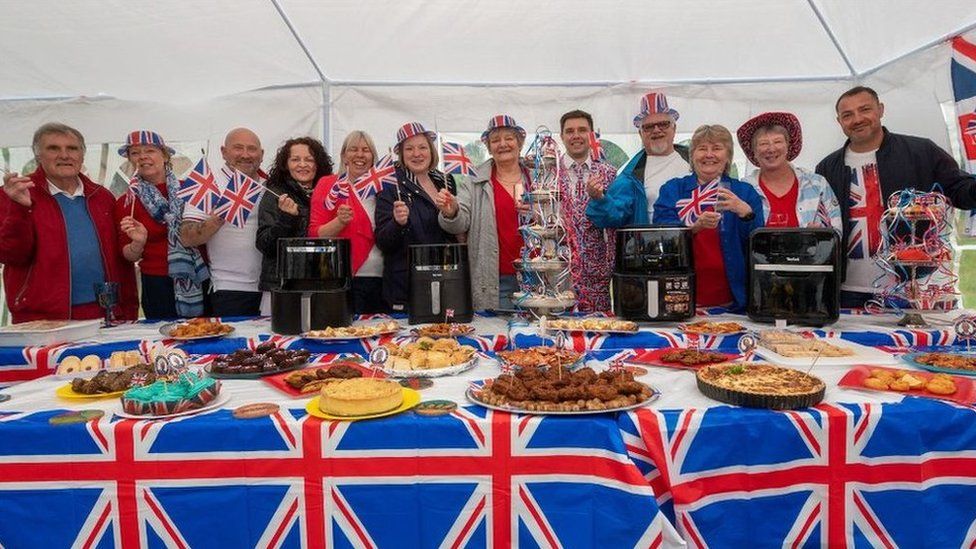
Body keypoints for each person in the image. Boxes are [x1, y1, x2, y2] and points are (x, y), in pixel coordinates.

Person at [815, 86, 976, 307]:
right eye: (848, 115)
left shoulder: (921, 152)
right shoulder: (826, 167)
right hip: (847, 292)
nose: (857, 119)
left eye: (865, 109)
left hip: (915, 287)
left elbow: (960, 189)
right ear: (839, 121)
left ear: (880, 110)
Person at [0, 123, 137, 323]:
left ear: (82, 155)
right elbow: (11, 255)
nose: (64, 155)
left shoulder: (102, 197)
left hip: (106, 313)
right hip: (44, 318)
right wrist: (20, 208)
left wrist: (127, 308)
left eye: (72, 148)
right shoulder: (14, 194)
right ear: (38, 155)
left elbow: (121, 257)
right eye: (53, 148)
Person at [653, 124, 764, 311]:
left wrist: (746, 213)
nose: (709, 154)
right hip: (683, 296)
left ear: (728, 156)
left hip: (733, 299)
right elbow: (661, 234)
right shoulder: (673, 189)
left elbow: (759, 245)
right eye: (702, 148)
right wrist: (694, 227)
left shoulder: (744, 192)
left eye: (717, 148)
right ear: (692, 156)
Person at [438, 115, 529, 311]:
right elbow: (460, 223)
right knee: (499, 337)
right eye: (495, 140)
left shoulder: (539, 176)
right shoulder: (473, 180)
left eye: (509, 138)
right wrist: (451, 211)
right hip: (497, 279)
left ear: (520, 143)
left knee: (543, 339)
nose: (502, 144)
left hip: (539, 277)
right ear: (488, 147)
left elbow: (560, 219)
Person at [115, 130, 210, 319]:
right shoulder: (127, 202)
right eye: (135, 153)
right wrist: (138, 243)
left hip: (198, 275)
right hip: (157, 283)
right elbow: (127, 254)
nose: (143, 157)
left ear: (165, 155)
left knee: (205, 335)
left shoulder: (192, 190)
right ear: (129, 160)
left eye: (150, 150)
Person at [180, 128, 267, 316]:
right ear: (223, 152)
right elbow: (186, 237)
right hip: (230, 287)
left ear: (261, 155)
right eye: (238, 148)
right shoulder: (209, 183)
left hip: (271, 289)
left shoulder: (271, 184)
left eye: (251, 149)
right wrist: (218, 218)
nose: (245, 155)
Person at [374, 122, 458, 311]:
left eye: (422, 147)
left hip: (445, 279)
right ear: (401, 154)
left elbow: (455, 232)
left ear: (431, 150)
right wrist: (397, 223)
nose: (417, 153)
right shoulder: (389, 183)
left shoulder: (445, 181)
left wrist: (452, 214)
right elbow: (382, 241)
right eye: (409, 149)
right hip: (406, 285)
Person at [308, 131, 389, 313]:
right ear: (344, 156)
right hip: (343, 279)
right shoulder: (328, 185)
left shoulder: (384, 187)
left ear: (373, 157)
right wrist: (339, 222)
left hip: (383, 279)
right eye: (353, 149)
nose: (360, 155)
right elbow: (314, 234)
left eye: (366, 150)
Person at [587, 91, 689, 227]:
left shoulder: (696, 162)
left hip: (697, 245)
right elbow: (612, 217)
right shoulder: (631, 176)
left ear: (674, 128)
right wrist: (599, 198)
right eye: (648, 127)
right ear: (641, 134)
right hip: (653, 245)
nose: (657, 130)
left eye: (663, 124)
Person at [736, 112, 842, 232]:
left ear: (788, 146)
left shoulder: (816, 184)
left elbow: (836, 231)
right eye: (763, 144)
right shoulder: (744, 189)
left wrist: (818, 237)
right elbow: (735, 235)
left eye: (778, 142)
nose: (771, 149)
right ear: (754, 152)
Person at [256, 137, 333, 299]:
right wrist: (286, 219)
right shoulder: (275, 193)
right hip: (281, 287)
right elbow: (264, 244)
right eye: (295, 159)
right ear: (286, 164)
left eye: (309, 160)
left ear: (318, 164)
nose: (303, 165)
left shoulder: (330, 193)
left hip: (322, 283)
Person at [557, 109, 617, 312]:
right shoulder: (548, 173)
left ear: (591, 135)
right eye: (570, 131)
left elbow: (615, 218)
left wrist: (600, 198)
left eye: (582, 130)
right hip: (558, 274)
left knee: (596, 334)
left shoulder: (608, 173)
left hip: (597, 276)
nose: (576, 135)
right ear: (562, 136)